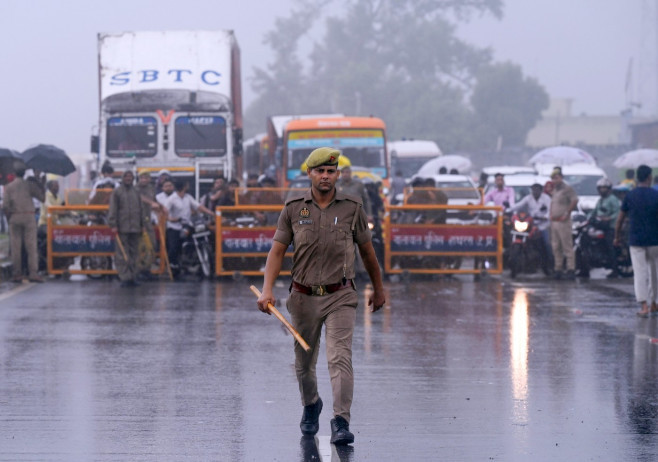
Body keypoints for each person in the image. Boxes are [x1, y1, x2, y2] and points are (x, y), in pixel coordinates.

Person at [256, 147, 385, 446]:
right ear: (310, 174)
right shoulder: (292, 208)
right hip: (302, 297)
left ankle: (341, 421)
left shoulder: (352, 207)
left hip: (340, 294)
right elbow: (277, 251)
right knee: (304, 362)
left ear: (338, 174)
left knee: (340, 357)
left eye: (331, 171)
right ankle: (311, 403)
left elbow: (367, 251)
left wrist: (379, 289)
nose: (325, 176)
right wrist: (266, 289)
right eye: (320, 171)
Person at [614, 165, 658, 317]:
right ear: (649, 177)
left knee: (640, 273)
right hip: (654, 240)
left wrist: (616, 236)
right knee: (655, 273)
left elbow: (620, 219)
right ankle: (654, 303)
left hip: (636, 240)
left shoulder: (630, 196)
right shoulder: (655, 195)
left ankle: (644, 306)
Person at [3, 161, 45, 283]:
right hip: (29, 217)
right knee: (31, 247)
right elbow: (42, 198)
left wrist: (9, 217)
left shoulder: (9, 187)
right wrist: (41, 183)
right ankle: (33, 273)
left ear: (15, 173)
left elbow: (5, 206)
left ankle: (17, 274)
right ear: (24, 172)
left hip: (15, 217)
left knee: (16, 247)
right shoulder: (29, 185)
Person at [164, 180, 214, 278]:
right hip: (174, 227)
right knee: (174, 247)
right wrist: (173, 219)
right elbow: (165, 214)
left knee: (195, 238)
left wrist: (212, 213)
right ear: (184, 186)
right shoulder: (171, 199)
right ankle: (173, 266)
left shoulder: (188, 197)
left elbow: (199, 206)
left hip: (187, 225)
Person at [108, 170, 145, 287]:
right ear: (123, 178)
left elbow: (141, 209)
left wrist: (142, 224)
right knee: (122, 254)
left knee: (134, 253)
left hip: (135, 227)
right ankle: (125, 277)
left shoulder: (136, 192)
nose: (128, 179)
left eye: (130, 177)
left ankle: (133, 276)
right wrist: (113, 224)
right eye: (126, 177)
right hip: (121, 227)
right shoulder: (117, 192)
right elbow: (113, 210)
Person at [508, 182, 553, 274]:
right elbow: (519, 205)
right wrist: (507, 210)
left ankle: (550, 265)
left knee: (547, 244)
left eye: (537, 189)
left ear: (541, 190)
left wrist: (545, 217)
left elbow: (550, 210)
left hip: (543, 225)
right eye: (533, 189)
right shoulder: (528, 198)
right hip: (531, 224)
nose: (535, 191)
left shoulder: (546, 199)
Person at [585, 177, 620, 278]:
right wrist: (588, 217)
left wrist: (608, 218)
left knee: (610, 245)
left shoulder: (613, 199)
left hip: (610, 227)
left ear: (609, 189)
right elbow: (594, 211)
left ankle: (615, 269)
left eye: (604, 188)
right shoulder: (600, 200)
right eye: (600, 188)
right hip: (599, 226)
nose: (602, 190)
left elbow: (617, 213)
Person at [549, 167, 579, 280]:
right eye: (553, 178)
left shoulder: (567, 189)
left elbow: (574, 200)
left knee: (567, 246)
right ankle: (558, 268)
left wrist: (567, 212)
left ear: (561, 178)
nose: (554, 180)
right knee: (556, 247)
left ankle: (571, 269)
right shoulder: (555, 190)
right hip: (555, 221)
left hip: (564, 221)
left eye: (556, 178)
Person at [136, 171, 160, 279]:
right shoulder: (134, 188)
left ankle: (147, 269)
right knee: (140, 246)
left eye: (146, 177)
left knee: (151, 245)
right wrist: (151, 203)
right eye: (142, 177)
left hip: (148, 220)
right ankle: (138, 270)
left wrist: (161, 207)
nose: (144, 180)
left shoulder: (151, 188)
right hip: (137, 221)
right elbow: (141, 197)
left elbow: (155, 200)